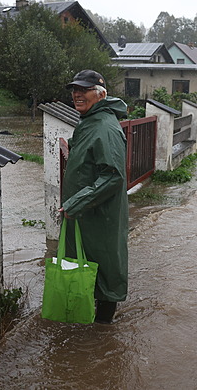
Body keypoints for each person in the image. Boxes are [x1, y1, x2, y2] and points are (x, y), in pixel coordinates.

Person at [58, 69, 128, 324]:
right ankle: (89, 320)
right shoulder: (89, 121)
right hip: (87, 212)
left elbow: (112, 176)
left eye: (84, 90)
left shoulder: (105, 128)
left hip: (100, 214)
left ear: (101, 95)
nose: (77, 94)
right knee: (89, 263)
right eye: (74, 90)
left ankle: (102, 330)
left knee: (104, 266)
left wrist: (76, 202)